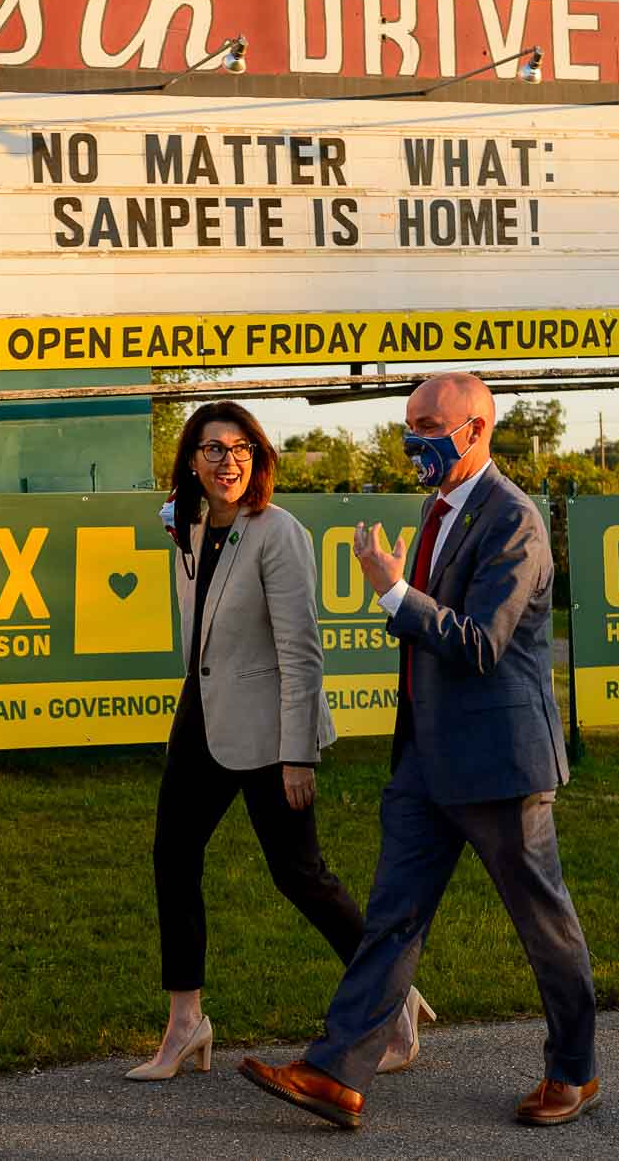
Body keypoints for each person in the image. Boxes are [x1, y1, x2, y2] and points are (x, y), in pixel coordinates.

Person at [240, 372, 598, 1129]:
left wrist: (395, 595)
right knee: (392, 919)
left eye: (430, 424)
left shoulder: (515, 522)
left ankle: (574, 1071)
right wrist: (401, 594)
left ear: (477, 428)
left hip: (501, 764)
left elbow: (479, 645)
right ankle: (336, 1073)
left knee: (543, 923)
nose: (415, 439)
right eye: (410, 424)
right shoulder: (438, 509)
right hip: (426, 763)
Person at [127, 400, 430, 1081]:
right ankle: (185, 1024)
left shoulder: (278, 531)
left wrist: (299, 752)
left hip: (271, 730)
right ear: (192, 461)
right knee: (172, 858)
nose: (227, 461)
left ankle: (394, 996)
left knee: (299, 876)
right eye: (212, 449)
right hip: (201, 716)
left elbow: (302, 650)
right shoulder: (191, 527)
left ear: (258, 459)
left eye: (240, 448)